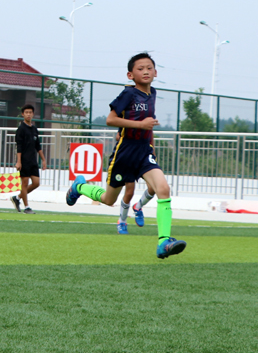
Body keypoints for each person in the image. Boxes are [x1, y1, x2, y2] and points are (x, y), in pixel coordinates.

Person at [65, 52, 186, 259]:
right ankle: (79, 186)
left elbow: (150, 124)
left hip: (143, 152)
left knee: (163, 188)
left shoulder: (152, 94)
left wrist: (152, 145)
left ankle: (163, 242)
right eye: (140, 68)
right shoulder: (128, 94)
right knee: (108, 199)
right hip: (125, 152)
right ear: (130, 75)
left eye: (149, 67)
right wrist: (139, 125)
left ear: (156, 72)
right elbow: (110, 120)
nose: (146, 71)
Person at [10, 104, 46, 214]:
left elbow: (38, 146)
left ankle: (17, 198)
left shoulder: (34, 129)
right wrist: (19, 161)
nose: (28, 114)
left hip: (33, 160)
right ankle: (27, 207)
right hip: (24, 160)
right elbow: (19, 146)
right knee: (24, 183)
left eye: (30, 112)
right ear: (23, 114)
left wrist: (43, 159)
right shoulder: (21, 129)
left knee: (36, 183)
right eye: (26, 112)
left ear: (33, 114)